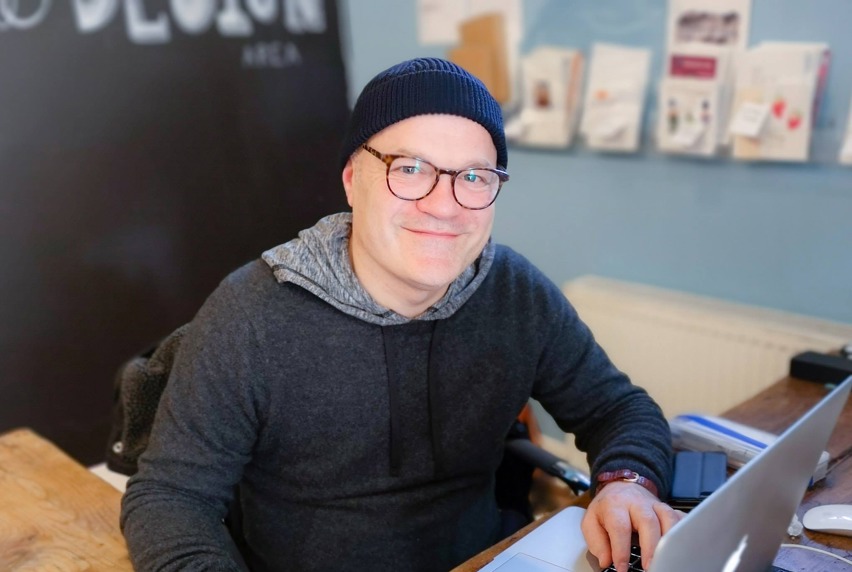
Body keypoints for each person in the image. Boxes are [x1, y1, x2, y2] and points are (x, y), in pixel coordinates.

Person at [121, 57, 681, 572]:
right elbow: (171, 499)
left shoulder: (514, 292)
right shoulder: (252, 315)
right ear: (351, 180)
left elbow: (618, 408)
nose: (444, 205)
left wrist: (628, 482)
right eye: (410, 169)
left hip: (490, 560)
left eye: (473, 177)